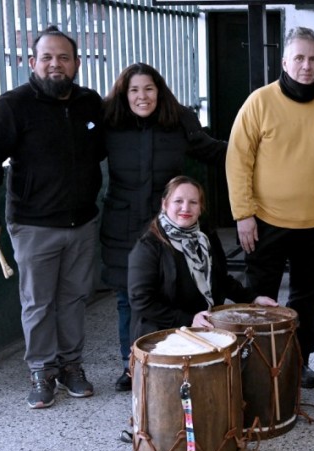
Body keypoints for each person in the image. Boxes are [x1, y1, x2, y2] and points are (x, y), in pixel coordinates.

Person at [0, 26, 103, 409]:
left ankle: (71, 367)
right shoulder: (12, 106)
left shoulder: (90, 103)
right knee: (38, 303)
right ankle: (42, 372)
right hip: (33, 225)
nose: (55, 64)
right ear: (32, 63)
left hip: (82, 222)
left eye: (63, 57)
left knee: (74, 298)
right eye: (46, 57)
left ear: (77, 63)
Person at [226, 27, 314, 389]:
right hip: (265, 222)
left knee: (306, 296)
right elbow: (238, 160)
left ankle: (299, 361)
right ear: (285, 61)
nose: (306, 65)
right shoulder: (259, 102)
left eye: (313, 58)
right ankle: (255, 364)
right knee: (260, 296)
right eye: (299, 58)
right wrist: (243, 214)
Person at [101, 63, 228, 392]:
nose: (142, 96)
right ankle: (132, 364)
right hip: (123, 222)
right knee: (128, 298)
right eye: (134, 90)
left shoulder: (178, 121)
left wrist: (253, 149)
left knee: (171, 292)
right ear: (123, 94)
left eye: (148, 89)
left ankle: (173, 357)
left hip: (168, 222)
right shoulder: (109, 123)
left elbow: (210, 150)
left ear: (160, 91)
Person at [127, 176, 277, 342]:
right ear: (165, 204)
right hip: (163, 334)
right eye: (178, 201)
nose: (186, 208)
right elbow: (141, 301)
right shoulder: (148, 246)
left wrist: (253, 298)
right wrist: (189, 320)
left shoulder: (206, 237)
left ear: (200, 208)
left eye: (193, 202)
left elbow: (221, 279)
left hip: (205, 324)